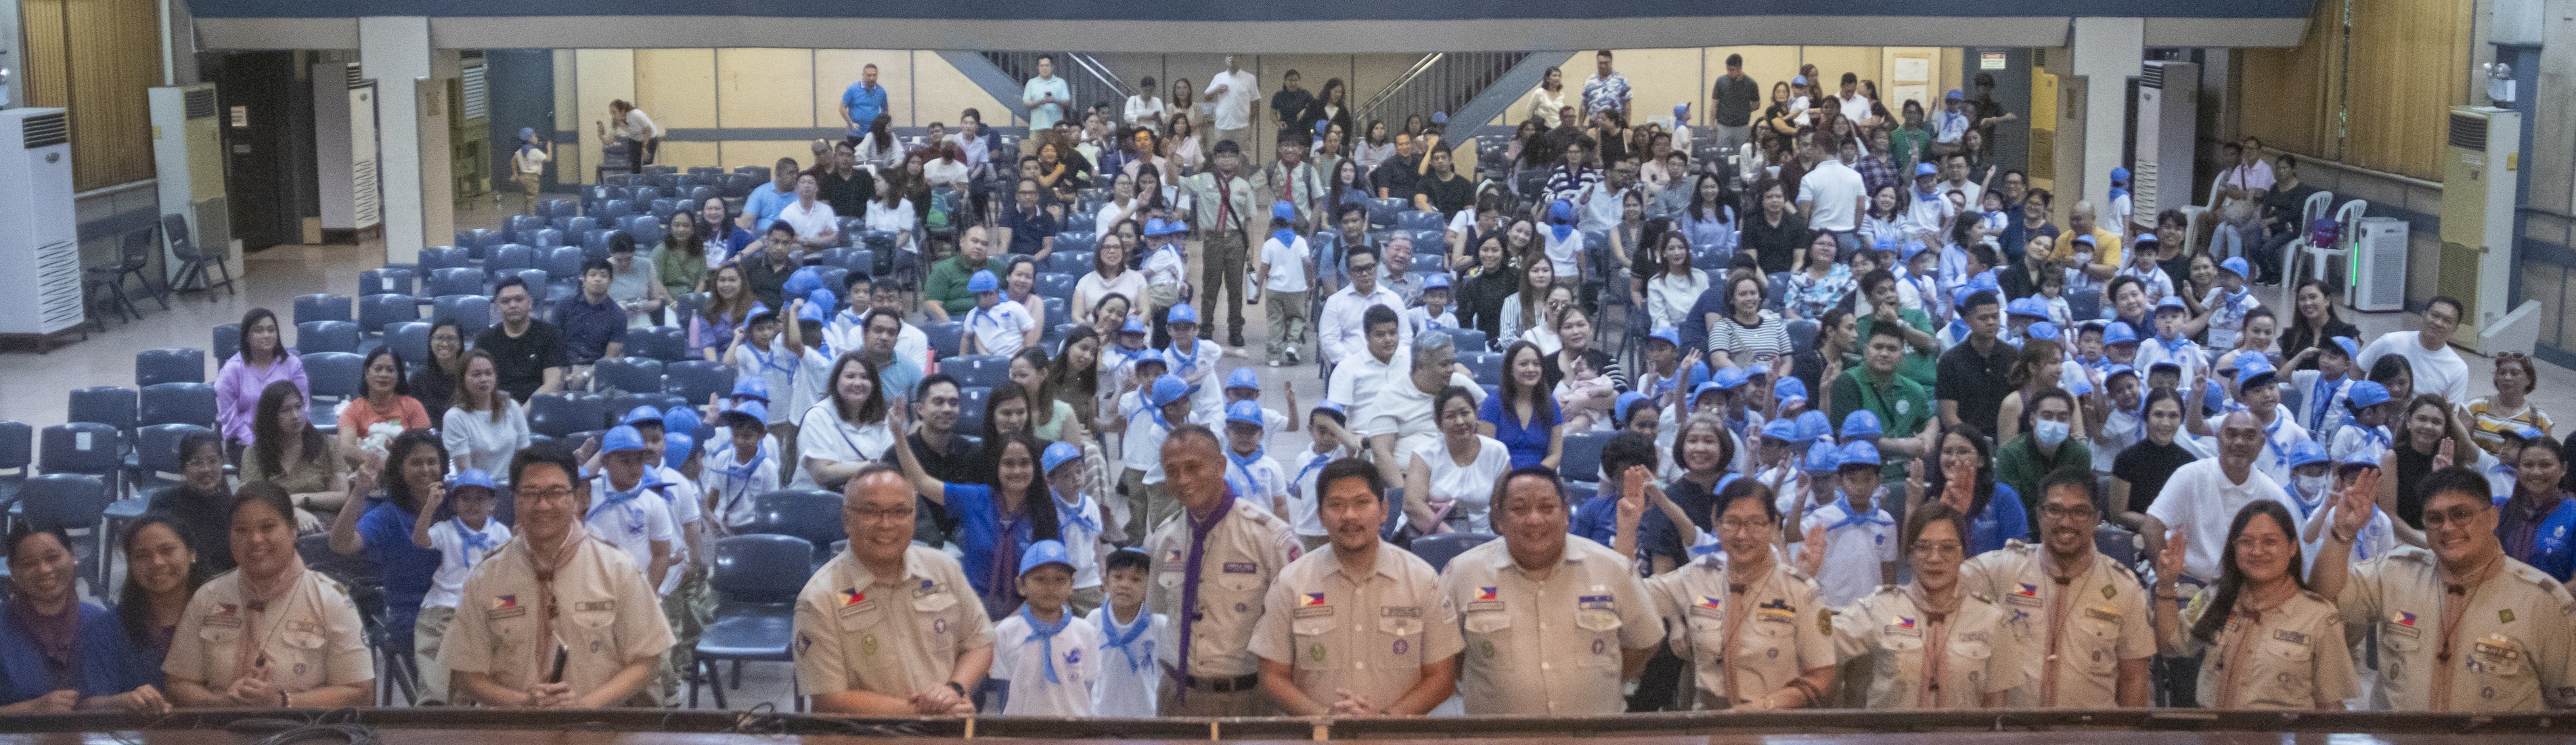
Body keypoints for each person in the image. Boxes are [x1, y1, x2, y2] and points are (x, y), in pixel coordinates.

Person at [2311, 465, 2576, 711]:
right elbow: (2324, 599)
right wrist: (2342, 533)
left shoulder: (2543, 600)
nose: (2447, 527)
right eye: (2434, 518)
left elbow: (2567, 708)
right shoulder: (2395, 573)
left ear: (2493, 517)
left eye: (2460, 514)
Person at [439, 447, 670, 708]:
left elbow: (647, 662)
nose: (543, 505)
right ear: (515, 501)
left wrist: (583, 707)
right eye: (530, 494)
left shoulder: (617, 568)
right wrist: (525, 703)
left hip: (595, 729)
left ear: (577, 498)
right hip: (513, 730)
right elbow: (466, 674)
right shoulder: (486, 577)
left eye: (556, 493)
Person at [1439, 466, 1661, 715]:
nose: (1534, 519)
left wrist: (1601, 678)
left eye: (1547, 508)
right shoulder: (1462, 573)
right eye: (1519, 509)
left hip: (1594, 737)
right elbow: (1445, 656)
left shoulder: (1613, 568)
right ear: (1499, 518)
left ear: (1566, 513)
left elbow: (1644, 641)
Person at [1249, 458, 1462, 716]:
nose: (1349, 515)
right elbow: (1272, 677)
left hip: (1397, 738)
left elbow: (1442, 678)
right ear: (1320, 516)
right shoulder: (1291, 583)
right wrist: (1325, 718)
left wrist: (1385, 721)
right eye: (1336, 505)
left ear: (1384, 510)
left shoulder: (1421, 580)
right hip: (1319, 737)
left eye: (1362, 503)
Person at [164, 482, 374, 708]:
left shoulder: (331, 599)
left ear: (293, 529)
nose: (255, 539)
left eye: (268, 527)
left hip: (305, 733)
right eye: (241, 530)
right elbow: (178, 684)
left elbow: (361, 692)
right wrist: (222, 703)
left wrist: (282, 702)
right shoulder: (208, 596)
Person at [1949, 474, 2152, 708]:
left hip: (2090, 734)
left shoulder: (2123, 586)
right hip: (2014, 731)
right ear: (2039, 515)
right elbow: (1944, 579)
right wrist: (1955, 520)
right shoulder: (2005, 567)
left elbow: (2134, 678)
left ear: (2096, 519)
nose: (2066, 522)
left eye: (2080, 511)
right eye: (2055, 510)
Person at [1144, 426, 1299, 715]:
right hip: (1177, 696)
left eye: (1193, 467)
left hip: (1247, 698)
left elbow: (1297, 627)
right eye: (1171, 470)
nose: (1183, 480)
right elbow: (1162, 608)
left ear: (1221, 466)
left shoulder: (1269, 538)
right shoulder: (1165, 538)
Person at [2146, 500, 2355, 710]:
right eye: (2246, 542)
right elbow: (2170, 646)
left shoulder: (2319, 617)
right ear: (2234, 548)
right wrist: (2166, 586)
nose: (2257, 551)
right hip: (2211, 735)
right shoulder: (2217, 597)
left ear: (2292, 547)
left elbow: (2330, 707)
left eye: (2270, 541)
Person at [324, 430, 449, 700]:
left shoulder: (454, 506)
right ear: (400, 469)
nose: (426, 469)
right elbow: (341, 544)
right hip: (411, 612)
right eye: (416, 463)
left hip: (458, 606)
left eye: (432, 462)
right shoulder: (387, 514)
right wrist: (360, 492)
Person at [0, 524, 164, 714]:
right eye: (29, 564)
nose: (44, 570)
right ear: (12, 570)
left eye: (53, 558)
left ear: (72, 555)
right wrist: (31, 708)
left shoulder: (105, 623)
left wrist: (128, 700)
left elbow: (120, 694)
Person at [985, 539, 1101, 715]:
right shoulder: (1006, 632)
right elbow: (1005, 686)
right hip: (1021, 732)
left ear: (1071, 585)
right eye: (1040, 579)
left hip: (1074, 734)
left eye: (1060, 579)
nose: (1051, 587)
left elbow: (1088, 686)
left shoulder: (1085, 632)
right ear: (1021, 585)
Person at [240, 380, 349, 531]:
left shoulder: (326, 445)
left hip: (320, 520)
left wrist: (300, 500)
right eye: (285, 410)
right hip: (273, 520)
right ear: (270, 416)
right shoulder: (254, 453)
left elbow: (341, 495)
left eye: (299, 407)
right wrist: (292, 510)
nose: (296, 416)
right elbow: (253, 500)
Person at [1404, 387, 1513, 535]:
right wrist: (1454, 540)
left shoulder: (1496, 452)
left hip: (1482, 537)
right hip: (1430, 536)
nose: (1460, 421)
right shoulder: (1424, 454)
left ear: (1476, 415)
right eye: (1450, 416)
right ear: (1438, 423)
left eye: (1465, 413)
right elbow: (1412, 505)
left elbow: (1503, 506)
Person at [118, 512, 207, 690]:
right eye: (142, 556)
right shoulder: (112, 628)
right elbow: (90, 704)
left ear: (191, 554)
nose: (157, 562)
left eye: (167, 550)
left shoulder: (223, 613)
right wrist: (124, 701)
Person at [1911, 426, 2029, 556]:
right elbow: (1911, 557)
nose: (1953, 459)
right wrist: (1912, 506)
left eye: (1963, 452)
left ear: (1981, 461)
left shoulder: (2003, 496)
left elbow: (2019, 554)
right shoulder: (1932, 499)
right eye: (1947, 452)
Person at [215, 308, 308, 457]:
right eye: (258, 331)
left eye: (271, 330)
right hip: (244, 441)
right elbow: (231, 421)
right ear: (247, 336)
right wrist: (258, 446)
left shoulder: (292, 364)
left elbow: (303, 406)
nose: (266, 335)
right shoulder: (231, 371)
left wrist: (289, 440)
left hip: (287, 435)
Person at [2495, 435, 2575, 582]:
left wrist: (2535, 604)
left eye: (2545, 465)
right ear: (2518, 468)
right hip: (2497, 599)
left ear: (2563, 469)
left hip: (2555, 603)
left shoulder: (2573, 515)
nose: (2536, 472)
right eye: (2528, 465)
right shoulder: (2498, 508)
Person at [473, 278, 567, 401]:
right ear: (496, 308)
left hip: (538, 408)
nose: (513, 305)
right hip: (498, 407)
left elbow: (554, 383)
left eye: (519, 299)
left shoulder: (549, 334)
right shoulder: (485, 339)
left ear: (530, 303)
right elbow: (479, 384)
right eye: (505, 301)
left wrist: (520, 413)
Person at [1935, 291, 2012, 436]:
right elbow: (1948, 416)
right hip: (1963, 438)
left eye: (1995, 316)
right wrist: (1976, 442)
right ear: (1967, 320)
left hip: (2005, 437)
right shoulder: (1950, 361)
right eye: (1983, 318)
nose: (1991, 322)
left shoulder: (2012, 356)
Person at [2468, 352, 2554, 457]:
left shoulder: (2540, 419)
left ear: (2529, 380)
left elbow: (2543, 457)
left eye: (2515, 373)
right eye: (2502, 373)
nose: (2507, 377)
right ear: (2496, 378)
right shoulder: (2475, 407)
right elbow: (2460, 445)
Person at [1706, 274, 1793, 369]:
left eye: (1753, 293)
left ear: (1760, 297)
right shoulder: (1721, 327)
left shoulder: (1777, 326)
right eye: (1743, 294)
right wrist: (1751, 378)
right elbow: (1719, 360)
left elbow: (1787, 362)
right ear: (1732, 299)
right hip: (1738, 380)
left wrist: (1776, 379)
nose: (1749, 298)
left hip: (1775, 380)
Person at [925, 225, 1009, 321]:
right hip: (956, 319)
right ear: (962, 242)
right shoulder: (943, 269)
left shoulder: (997, 267)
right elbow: (931, 305)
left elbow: (1010, 297)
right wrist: (950, 327)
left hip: (992, 319)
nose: (979, 247)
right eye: (974, 241)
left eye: (984, 244)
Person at [1203, 55, 1258, 154]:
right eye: (1229, 55)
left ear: (1240, 58)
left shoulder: (1250, 78)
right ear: (1225, 58)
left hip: (1242, 127)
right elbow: (1207, 97)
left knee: (1241, 158)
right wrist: (1216, 90)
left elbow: (1254, 103)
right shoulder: (1219, 77)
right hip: (1222, 127)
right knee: (1221, 156)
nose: (1232, 58)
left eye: (1235, 55)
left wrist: (1250, 124)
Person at [596, 99, 661, 174]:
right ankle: (636, 184)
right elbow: (610, 141)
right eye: (611, 113)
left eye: (614, 113)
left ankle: (647, 183)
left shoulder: (636, 115)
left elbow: (647, 130)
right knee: (635, 167)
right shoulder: (615, 121)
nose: (613, 116)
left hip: (650, 137)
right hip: (635, 139)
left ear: (623, 111)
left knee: (646, 165)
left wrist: (645, 147)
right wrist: (601, 136)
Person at [839, 64, 888, 143]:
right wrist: (851, 122)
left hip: (874, 135)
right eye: (869, 75)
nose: (872, 78)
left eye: (874, 75)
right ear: (863, 75)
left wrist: (882, 126)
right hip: (855, 134)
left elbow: (885, 110)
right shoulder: (852, 89)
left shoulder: (881, 92)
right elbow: (842, 108)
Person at [508, 127, 551, 208]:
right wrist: (549, 148)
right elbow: (548, 158)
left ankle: (525, 217)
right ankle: (532, 218)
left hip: (523, 177)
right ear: (530, 138)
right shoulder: (534, 151)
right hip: (532, 178)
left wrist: (515, 173)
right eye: (534, 136)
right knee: (532, 200)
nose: (536, 138)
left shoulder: (520, 151)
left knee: (526, 200)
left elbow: (513, 160)